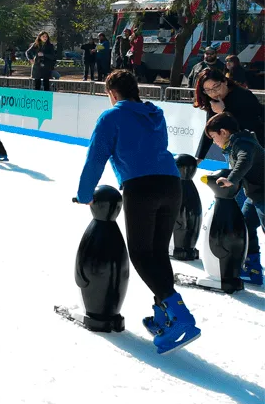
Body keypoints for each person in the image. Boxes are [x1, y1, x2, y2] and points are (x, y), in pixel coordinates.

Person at [75, 70, 199, 355]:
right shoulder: (156, 114)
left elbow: (96, 156)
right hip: (171, 184)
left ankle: (180, 316)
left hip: (142, 188)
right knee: (157, 253)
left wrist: (84, 194)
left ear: (112, 94)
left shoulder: (111, 117)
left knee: (142, 255)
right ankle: (163, 315)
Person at [203, 112, 264, 285]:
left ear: (223, 132)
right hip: (255, 195)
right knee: (245, 226)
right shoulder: (237, 142)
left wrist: (231, 179)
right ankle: (253, 269)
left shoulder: (243, 143)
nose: (214, 142)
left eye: (214, 137)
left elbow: (245, 160)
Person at [194, 70, 264, 161]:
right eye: (208, 90)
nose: (213, 93)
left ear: (225, 81)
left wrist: (223, 112)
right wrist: (199, 157)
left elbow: (249, 126)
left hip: (256, 144)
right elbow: (210, 128)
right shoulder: (213, 100)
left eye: (216, 87)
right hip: (235, 147)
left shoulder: (243, 95)